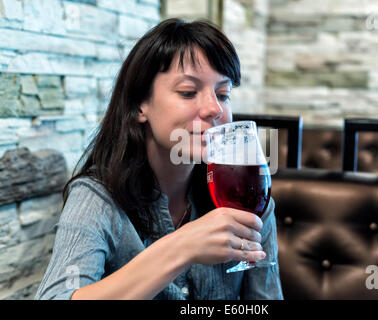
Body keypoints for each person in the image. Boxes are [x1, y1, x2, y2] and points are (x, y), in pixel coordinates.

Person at [35, 18, 283, 300]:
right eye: (188, 92)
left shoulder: (246, 199)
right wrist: (181, 247)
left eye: (223, 94)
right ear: (141, 104)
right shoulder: (98, 199)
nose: (214, 108)